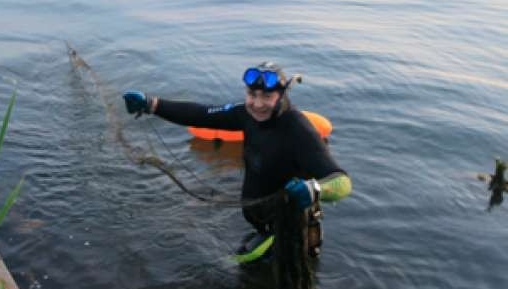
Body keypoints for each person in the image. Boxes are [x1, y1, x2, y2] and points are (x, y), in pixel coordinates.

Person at [123, 62, 351, 259]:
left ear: (281, 96)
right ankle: (263, 235)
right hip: (262, 218)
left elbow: (341, 181)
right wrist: (152, 104)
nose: (258, 104)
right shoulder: (245, 113)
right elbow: (201, 114)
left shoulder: (297, 129)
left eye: (267, 97)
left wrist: (315, 189)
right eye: (252, 95)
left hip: (289, 226)